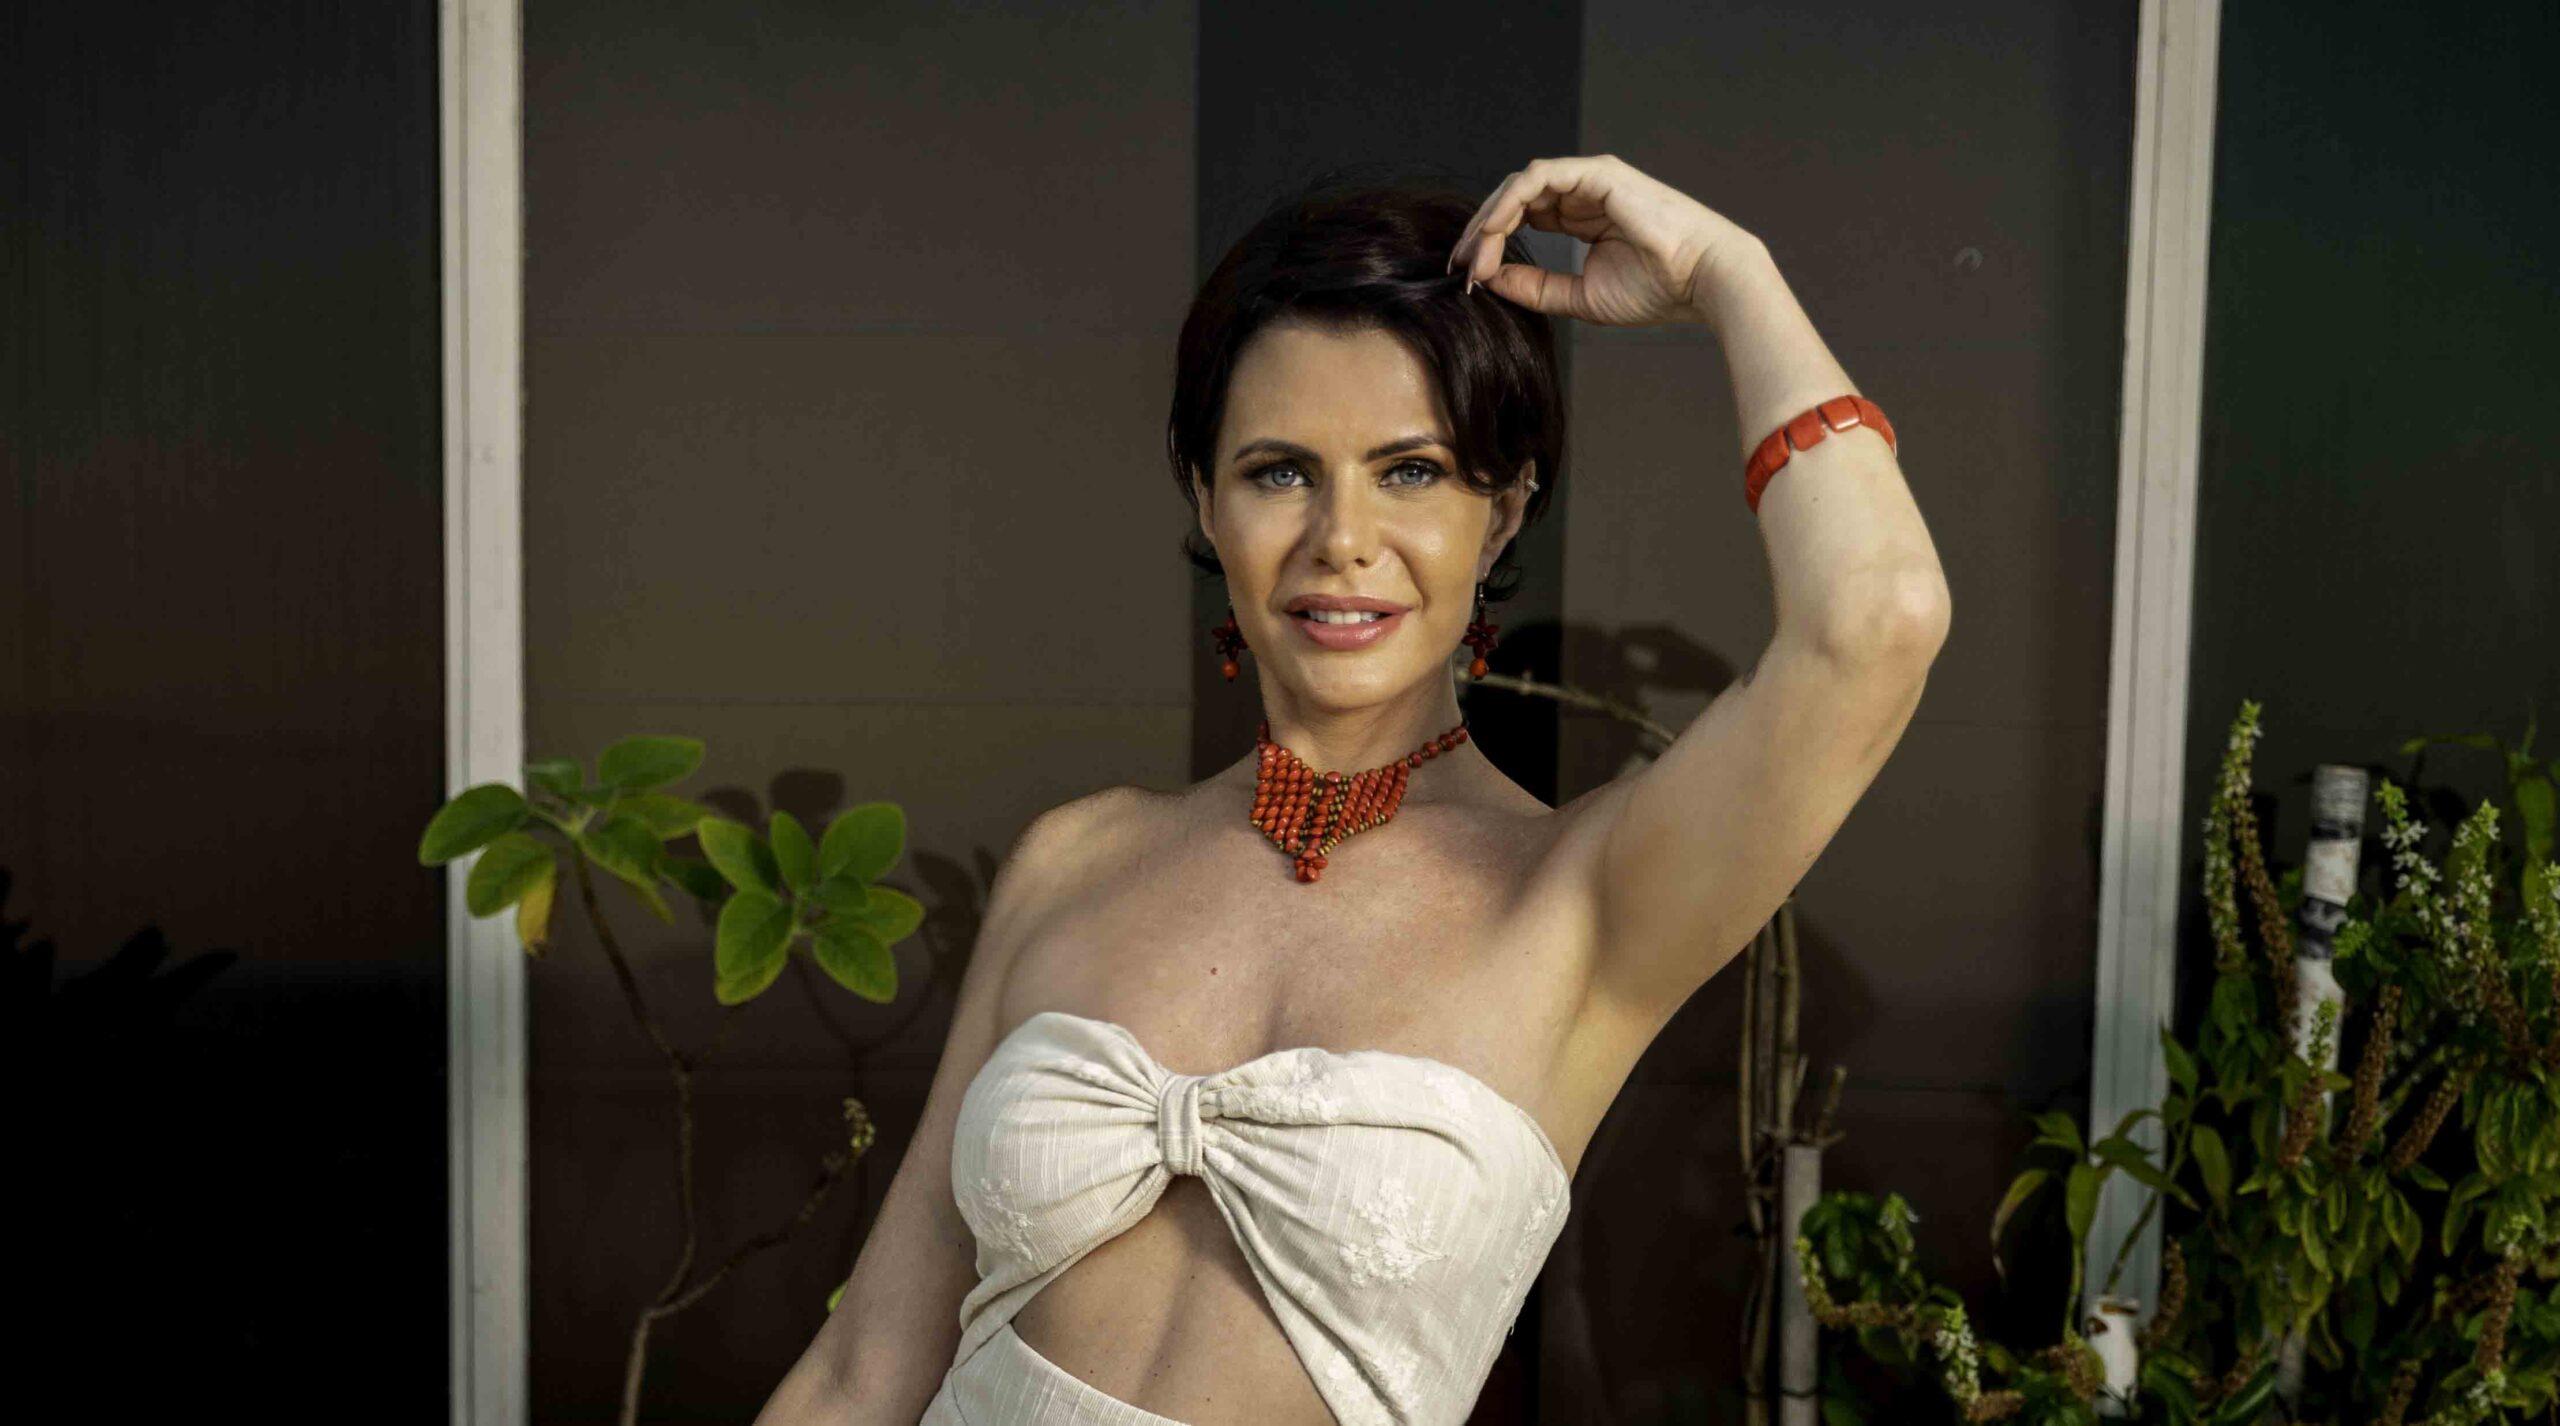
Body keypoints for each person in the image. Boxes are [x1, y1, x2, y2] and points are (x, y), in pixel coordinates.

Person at [755, 153, 1949, 1426]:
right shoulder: (1075, 857)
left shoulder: (1584, 900)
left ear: (1504, 512)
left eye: (1411, 470)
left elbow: (1876, 619)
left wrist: (1726, 272)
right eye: (1279, 470)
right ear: (1205, 498)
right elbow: (861, 1370)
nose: (1341, 540)